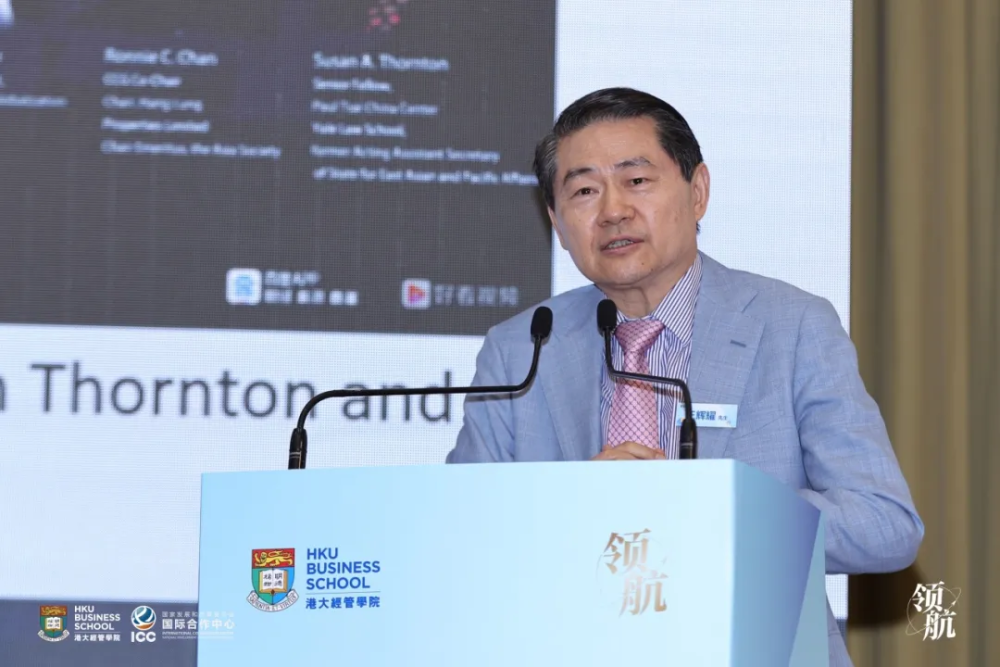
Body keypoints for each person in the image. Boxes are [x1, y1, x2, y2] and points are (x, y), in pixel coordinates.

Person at [446, 87, 923, 666]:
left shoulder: (792, 326)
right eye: (584, 191)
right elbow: (461, 540)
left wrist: (707, 511)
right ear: (556, 220)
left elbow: (884, 525)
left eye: (636, 180)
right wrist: (570, 508)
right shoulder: (520, 348)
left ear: (697, 192)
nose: (613, 210)